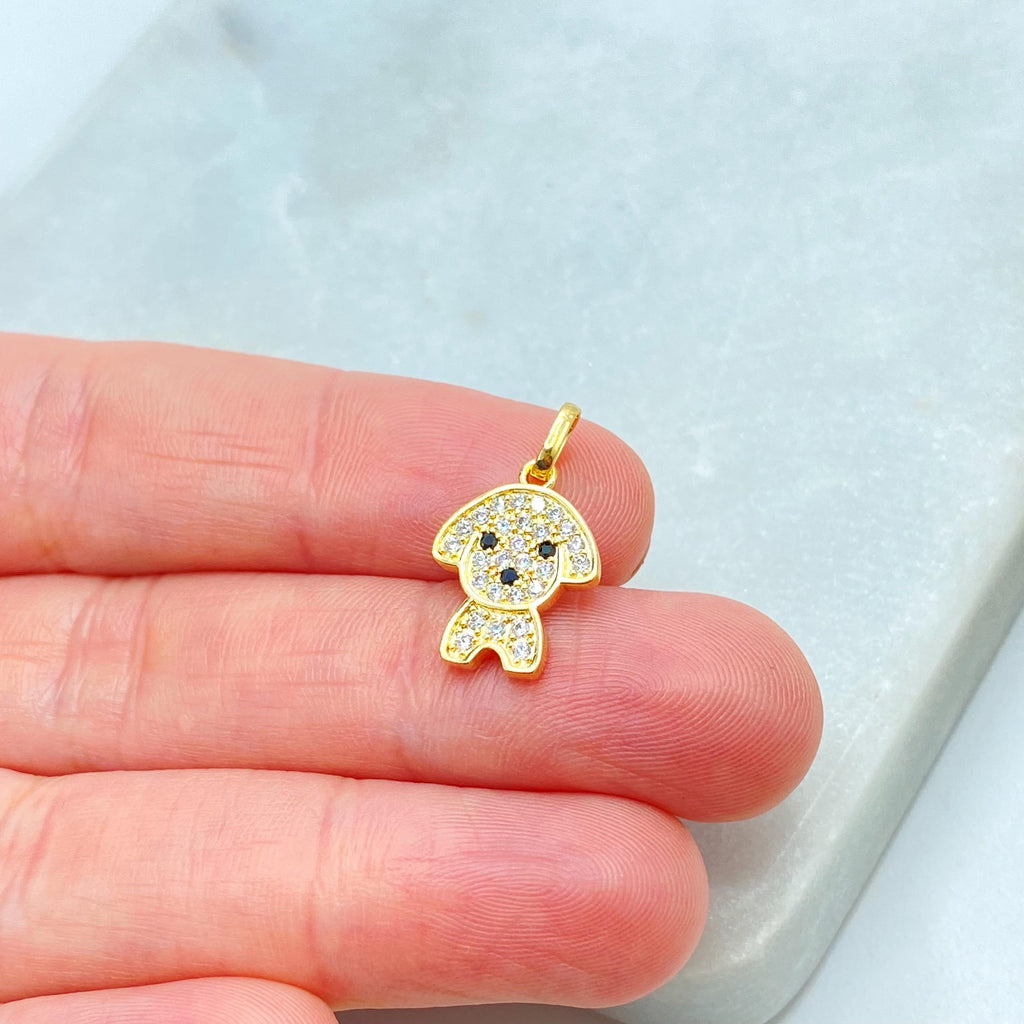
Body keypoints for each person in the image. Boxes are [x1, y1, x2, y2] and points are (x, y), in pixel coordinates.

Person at [0, 333, 822, 1022]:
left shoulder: (550, 540)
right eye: (494, 546)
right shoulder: (493, 531)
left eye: (536, 553)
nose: (511, 560)